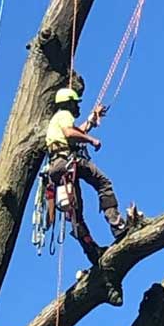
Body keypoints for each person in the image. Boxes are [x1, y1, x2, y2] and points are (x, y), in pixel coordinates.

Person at [45, 87, 127, 264]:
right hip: (68, 161)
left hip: (57, 167)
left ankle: (92, 252)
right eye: (75, 103)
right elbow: (70, 133)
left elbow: (75, 132)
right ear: (69, 103)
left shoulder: (56, 120)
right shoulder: (64, 114)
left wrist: (92, 119)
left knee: (75, 213)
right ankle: (117, 225)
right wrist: (91, 140)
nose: (77, 107)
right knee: (103, 183)